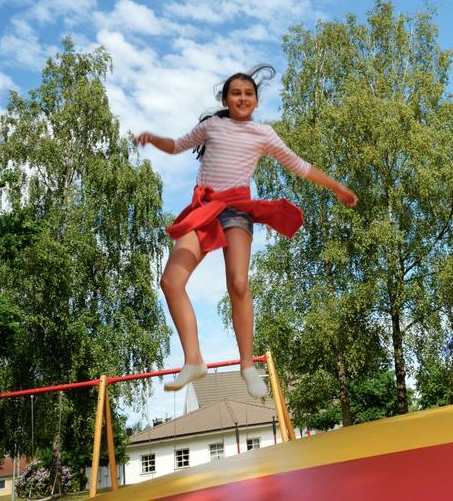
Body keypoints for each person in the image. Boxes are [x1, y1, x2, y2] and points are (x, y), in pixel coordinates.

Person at [135, 65, 357, 397]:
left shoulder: (263, 134)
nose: (242, 98)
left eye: (248, 93)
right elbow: (177, 145)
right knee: (170, 281)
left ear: (255, 101)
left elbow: (301, 166)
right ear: (225, 98)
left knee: (238, 282)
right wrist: (152, 139)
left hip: (237, 209)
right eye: (236, 93)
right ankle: (193, 360)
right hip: (204, 209)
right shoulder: (211, 125)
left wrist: (337, 187)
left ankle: (247, 366)